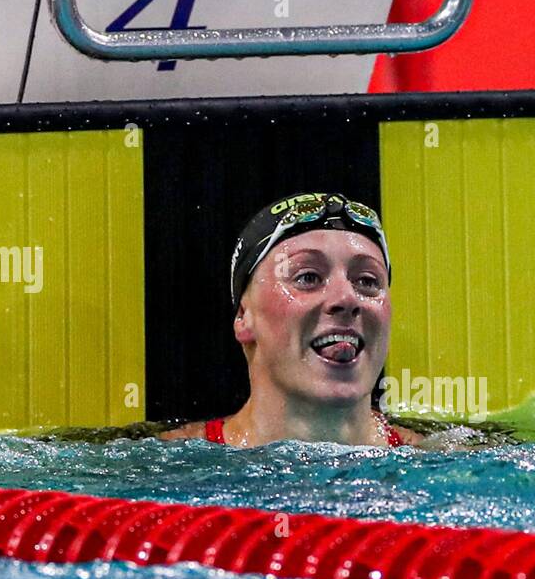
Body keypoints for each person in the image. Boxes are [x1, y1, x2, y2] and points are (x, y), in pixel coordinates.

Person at [162, 192, 420, 448]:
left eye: (367, 280)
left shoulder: (438, 462)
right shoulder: (168, 468)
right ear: (244, 316)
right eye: (308, 277)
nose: (346, 298)